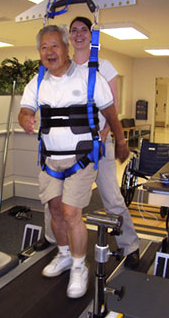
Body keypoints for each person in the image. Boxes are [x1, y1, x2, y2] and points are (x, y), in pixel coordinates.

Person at [18, 24, 129, 298]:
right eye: (44, 47)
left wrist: (121, 141)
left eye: (55, 46)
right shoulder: (38, 81)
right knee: (55, 211)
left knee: (70, 213)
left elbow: (111, 112)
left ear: (66, 48)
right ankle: (65, 254)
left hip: (81, 158)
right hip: (50, 160)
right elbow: (24, 109)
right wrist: (25, 119)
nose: (49, 52)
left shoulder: (89, 77)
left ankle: (80, 266)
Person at [35, 17, 140, 270]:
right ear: (68, 37)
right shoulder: (59, 67)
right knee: (55, 199)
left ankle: (130, 245)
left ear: (92, 36)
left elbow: (110, 108)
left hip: (96, 144)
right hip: (63, 148)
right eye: (74, 31)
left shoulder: (104, 66)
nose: (79, 34)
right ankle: (54, 239)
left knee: (112, 197)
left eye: (84, 30)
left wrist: (104, 135)